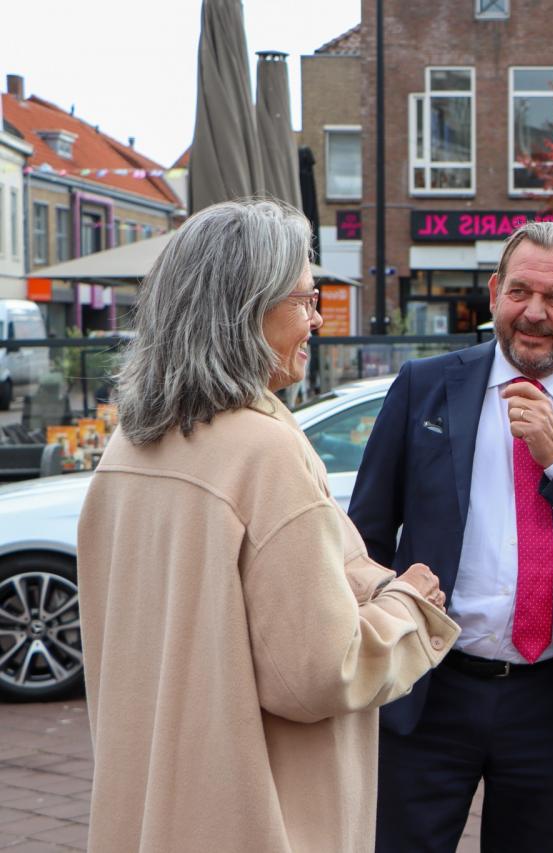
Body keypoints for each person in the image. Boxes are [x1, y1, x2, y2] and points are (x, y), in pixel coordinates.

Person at [77, 199, 459, 853]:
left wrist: (358, 581)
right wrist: (407, 610)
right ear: (248, 309)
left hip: (151, 808)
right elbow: (319, 671)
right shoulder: (266, 451)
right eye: (306, 300)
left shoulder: (132, 445)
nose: (316, 320)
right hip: (259, 817)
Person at [347, 220, 553, 853]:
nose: (535, 313)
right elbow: (365, 534)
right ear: (495, 292)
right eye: (521, 291)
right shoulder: (424, 388)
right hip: (427, 685)